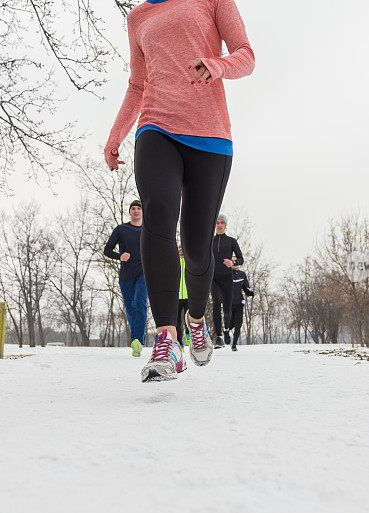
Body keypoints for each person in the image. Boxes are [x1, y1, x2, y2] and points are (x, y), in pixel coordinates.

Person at [104, 0, 255, 382]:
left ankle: (197, 320)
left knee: (196, 245)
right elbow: (138, 84)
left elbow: (246, 56)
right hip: (155, 127)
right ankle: (167, 339)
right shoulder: (137, 17)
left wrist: (217, 65)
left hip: (210, 136)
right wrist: (116, 134)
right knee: (158, 215)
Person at [104, 200, 147, 357]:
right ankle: (137, 338)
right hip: (126, 275)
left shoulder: (148, 229)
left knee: (141, 303)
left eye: (139, 208)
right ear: (130, 212)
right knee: (130, 309)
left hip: (144, 273)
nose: (136, 211)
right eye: (133, 208)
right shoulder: (121, 229)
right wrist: (119, 256)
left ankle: (137, 341)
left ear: (142, 211)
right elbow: (107, 250)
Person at [210, 214, 244, 348]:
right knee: (216, 303)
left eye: (221, 223)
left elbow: (241, 259)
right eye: (217, 223)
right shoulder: (209, 241)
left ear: (225, 225)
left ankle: (225, 331)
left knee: (227, 309)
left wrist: (232, 262)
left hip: (227, 279)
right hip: (213, 278)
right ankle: (218, 336)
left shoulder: (231, 241)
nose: (219, 225)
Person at [230, 258, 254, 351]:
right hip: (229, 304)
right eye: (233, 261)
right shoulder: (226, 274)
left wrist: (250, 293)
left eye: (236, 261)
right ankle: (225, 332)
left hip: (239, 303)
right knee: (230, 324)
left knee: (238, 324)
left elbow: (245, 288)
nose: (235, 262)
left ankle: (234, 345)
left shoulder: (242, 274)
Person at [176, 243, 190, 349]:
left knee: (188, 320)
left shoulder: (189, 262)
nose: (181, 250)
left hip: (189, 296)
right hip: (176, 297)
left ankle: (189, 335)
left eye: (182, 247)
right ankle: (179, 342)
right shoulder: (174, 261)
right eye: (179, 248)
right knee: (177, 322)